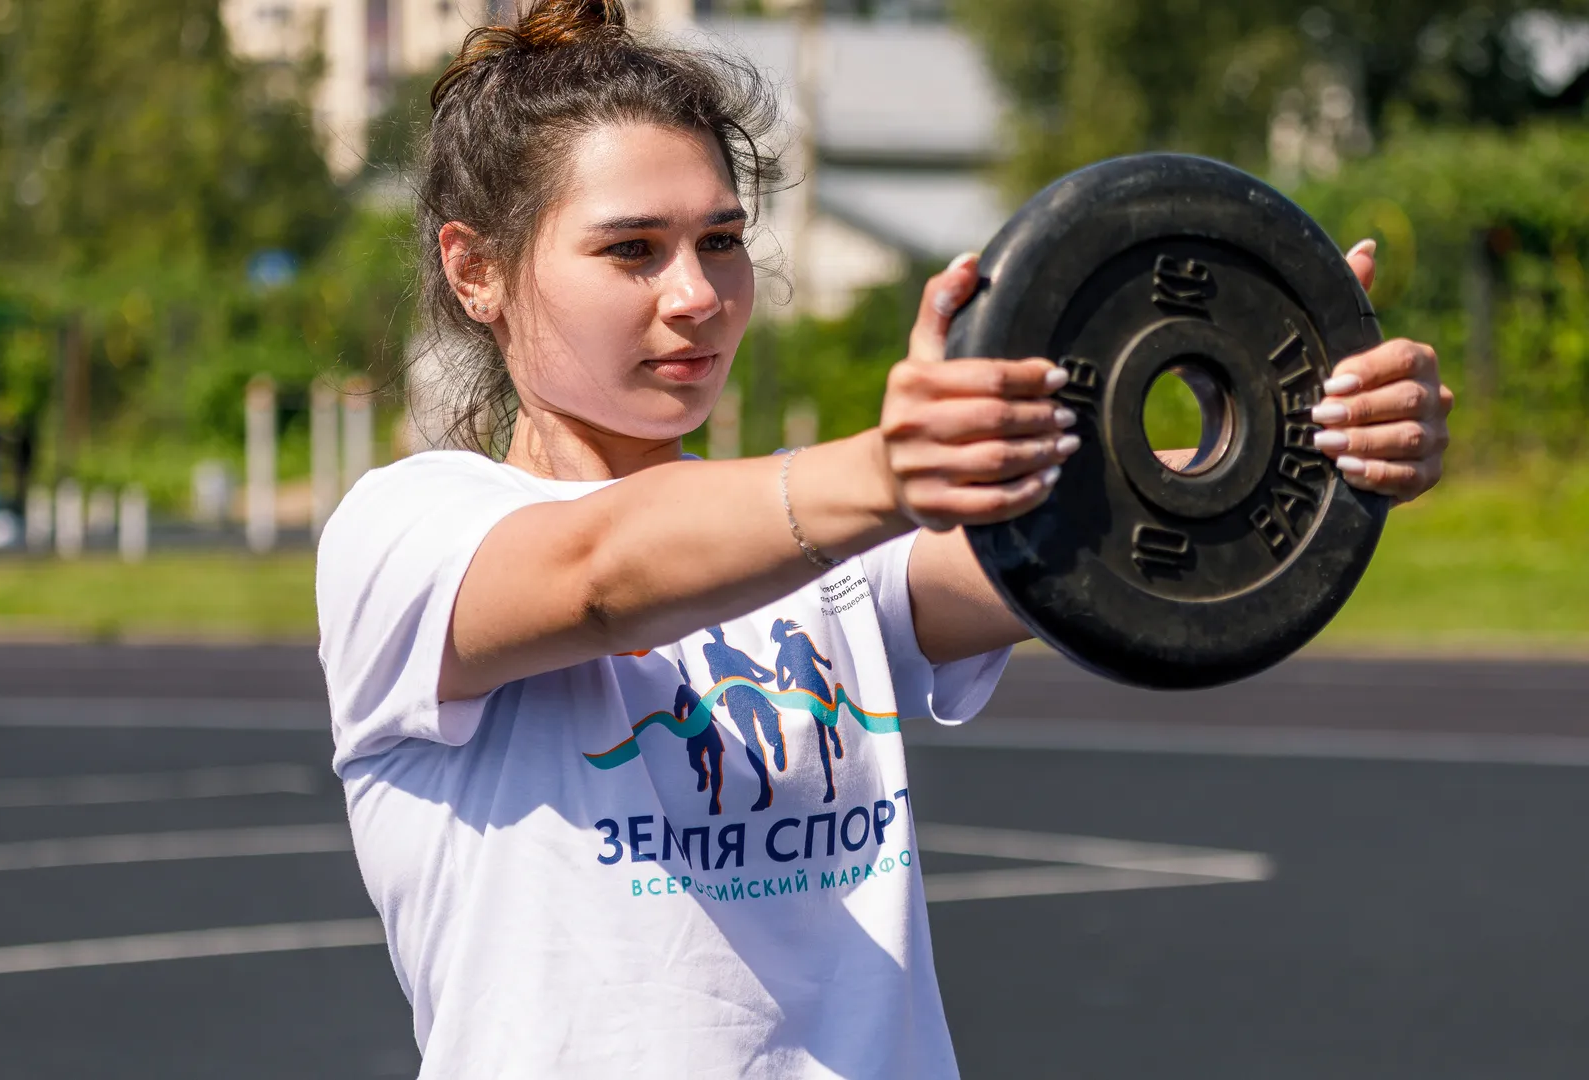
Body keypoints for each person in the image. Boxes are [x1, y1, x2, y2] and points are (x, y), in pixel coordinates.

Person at [315, 2, 1454, 1075]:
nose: (698, 294)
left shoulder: (823, 544)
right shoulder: (407, 534)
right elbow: (602, 576)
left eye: (719, 240)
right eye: (632, 251)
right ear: (475, 271)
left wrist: (1308, 431)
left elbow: (1108, 552)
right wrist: (889, 467)